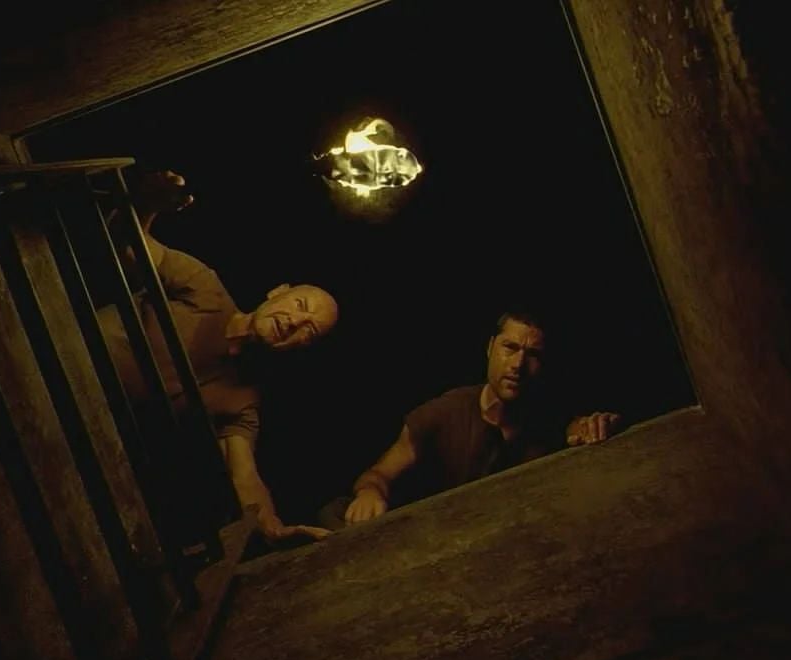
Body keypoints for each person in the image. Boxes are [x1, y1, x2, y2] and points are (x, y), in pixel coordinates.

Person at [97, 169, 338, 543]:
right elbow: (129, 247)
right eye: (300, 305)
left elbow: (244, 477)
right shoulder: (205, 288)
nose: (294, 322)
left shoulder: (242, 403)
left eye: (308, 330)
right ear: (277, 292)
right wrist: (147, 204)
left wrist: (274, 528)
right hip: (49, 348)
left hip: (81, 419)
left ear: (300, 349)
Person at [327, 309, 621, 528]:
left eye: (533, 354)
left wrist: (594, 428)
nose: (518, 364)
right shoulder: (444, 412)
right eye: (510, 348)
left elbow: (575, 428)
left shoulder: (548, 415)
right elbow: (378, 474)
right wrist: (369, 494)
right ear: (490, 348)